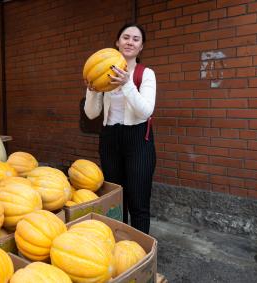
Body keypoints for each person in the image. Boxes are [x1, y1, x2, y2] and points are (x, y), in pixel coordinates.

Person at [84, 23, 156, 234]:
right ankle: (118, 244)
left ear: (141, 46)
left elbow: (145, 111)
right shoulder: (102, 71)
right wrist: (92, 90)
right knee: (116, 201)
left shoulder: (146, 74)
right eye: (126, 37)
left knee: (138, 202)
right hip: (110, 138)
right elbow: (91, 113)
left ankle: (140, 253)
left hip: (138, 140)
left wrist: (126, 83)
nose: (130, 42)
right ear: (117, 42)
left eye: (136, 39)